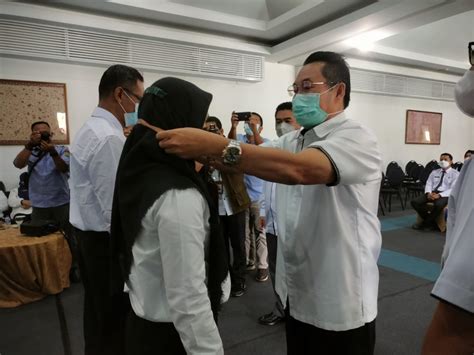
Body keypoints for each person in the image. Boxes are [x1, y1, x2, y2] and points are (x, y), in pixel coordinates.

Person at [156, 51, 382, 354]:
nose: (299, 96)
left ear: (338, 90)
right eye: (296, 89)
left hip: (341, 296)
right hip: (298, 294)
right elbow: (248, 160)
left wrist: (218, 146)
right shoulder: (294, 140)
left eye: (306, 87)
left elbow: (298, 169)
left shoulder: (356, 137)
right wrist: (185, 145)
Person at [110, 78, 229, 355]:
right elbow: (188, 299)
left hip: (143, 319)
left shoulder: (141, 170)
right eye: (199, 124)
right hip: (172, 335)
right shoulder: (179, 196)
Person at [69, 64, 144, 355]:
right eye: (137, 99)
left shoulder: (91, 128)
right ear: (119, 94)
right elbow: (114, 205)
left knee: (97, 313)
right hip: (104, 244)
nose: (139, 106)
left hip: (88, 237)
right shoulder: (109, 138)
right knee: (114, 319)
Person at [421, 65, 474, 354]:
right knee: (425, 201)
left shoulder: (460, 169)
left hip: (461, 301)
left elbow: (457, 329)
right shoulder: (471, 168)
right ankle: (427, 220)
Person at [12, 120, 77, 277]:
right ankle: (48, 272)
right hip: (40, 204)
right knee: (40, 240)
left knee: (68, 239)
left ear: (51, 134)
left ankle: (72, 268)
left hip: (61, 202)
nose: (42, 134)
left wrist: (52, 152)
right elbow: (17, 164)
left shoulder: (62, 149)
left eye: (45, 132)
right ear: (32, 134)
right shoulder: (30, 152)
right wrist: (29, 145)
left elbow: (64, 168)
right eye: (37, 132)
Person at [258, 101, 301, 326]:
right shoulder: (274, 149)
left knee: (296, 271)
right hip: (273, 224)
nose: (282, 125)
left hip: (294, 226)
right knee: (275, 269)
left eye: (287, 121)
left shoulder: (304, 153)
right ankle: (280, 308)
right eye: (278, 121)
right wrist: (263, 212)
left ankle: (298, 312)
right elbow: (266, 186)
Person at [203, 116, 251, 297]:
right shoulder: (203, 152)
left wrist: (214, 158)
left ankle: (239, 281)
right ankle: (225, 280)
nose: (210, 133)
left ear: (222, 132)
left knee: (238, 245)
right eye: (206, 130)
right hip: (216, 208)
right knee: (220, 247)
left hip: (235, 205)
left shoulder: (232, 148)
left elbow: (234, 166)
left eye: (214, 129)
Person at [229, 111, 269, 282]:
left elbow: (263, 152)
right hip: (243, 195)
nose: (250, 124)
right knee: (244, 232)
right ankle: (247, 262)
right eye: (248, 121)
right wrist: (233, 126)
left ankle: (262, 266)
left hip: (260, 197)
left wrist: (255, 132)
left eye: (254, 122)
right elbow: (229, 144)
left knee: (260, 232)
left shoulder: (266, 142)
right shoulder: (239, 138)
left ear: (261, 126)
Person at [411, 153, 459, 230]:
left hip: (445, 194)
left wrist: (439, 195)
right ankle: (430, 222)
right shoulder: (435, 172)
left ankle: (426, 223)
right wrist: (428, 193)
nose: (443, 161)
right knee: (414, 202)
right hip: (432, 192)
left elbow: (453, 189)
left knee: (438, 204)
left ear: (451, 161)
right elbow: (429, 183)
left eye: (445, 159)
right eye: (441, 159)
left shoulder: (455, 174)